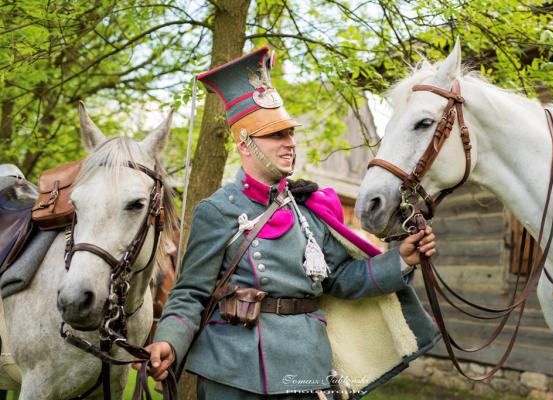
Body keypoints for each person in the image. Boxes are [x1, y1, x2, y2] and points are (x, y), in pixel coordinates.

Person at [137, 46, 439, 399]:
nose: (290, 143)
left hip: (306, 365)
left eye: (290, 133)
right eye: (276, 135)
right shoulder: (217, 210)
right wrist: (168, 341)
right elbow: (191, 293)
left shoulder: (308, 208)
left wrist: (401, 257)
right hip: (234, 370)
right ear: (245, 143)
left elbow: (340, 280)